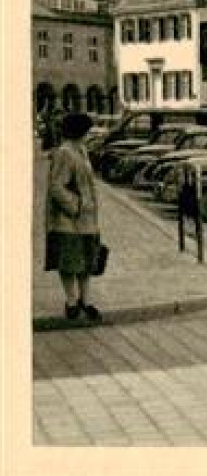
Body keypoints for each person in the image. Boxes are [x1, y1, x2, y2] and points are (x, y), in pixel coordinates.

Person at [45, 111, 103, 322]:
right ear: (79, 131)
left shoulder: (81, 150)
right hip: (68, 220)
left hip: (87, 219)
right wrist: (76, 206)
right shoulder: (64, 153)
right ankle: (72, 301)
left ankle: (85, 301)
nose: (90, 134)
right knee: (69, 262)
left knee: (87, 261)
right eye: (87, 130)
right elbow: (57, 187)